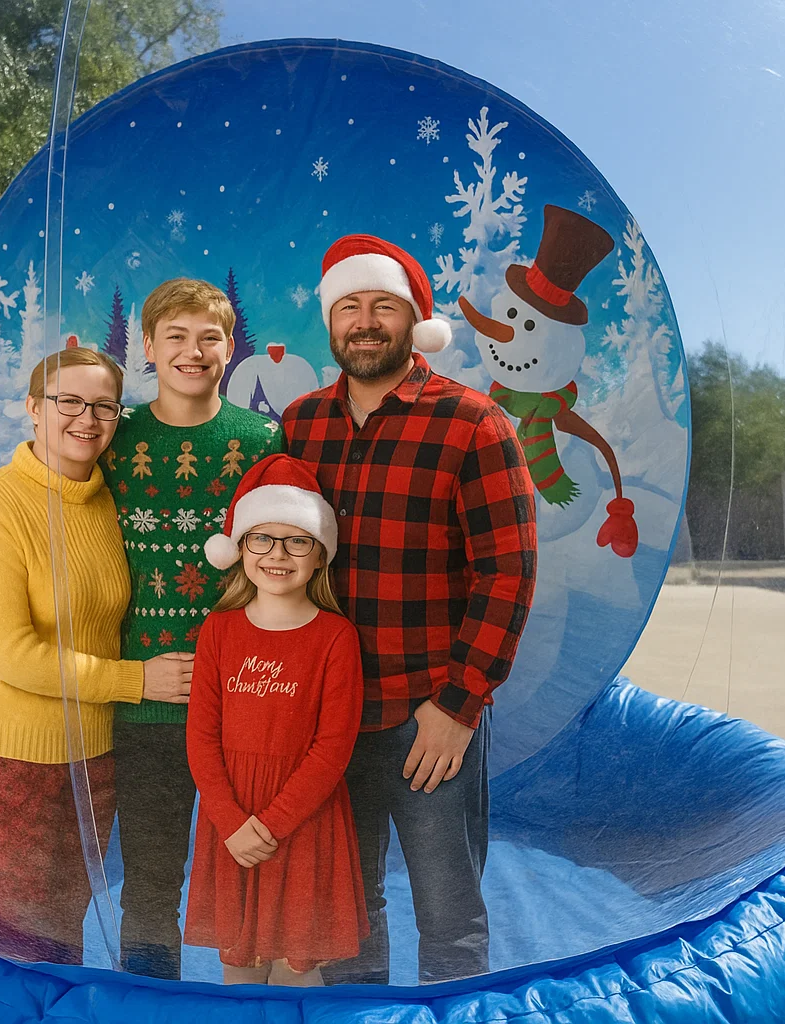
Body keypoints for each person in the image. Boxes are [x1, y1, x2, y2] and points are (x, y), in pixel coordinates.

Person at [0, 278, 284, 978]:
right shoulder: (114, 439)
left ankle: (256, 1007)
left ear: (230, 347)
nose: (193, 352)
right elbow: (32, 519)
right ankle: (147, 1005)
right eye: (176, 337)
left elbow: (294, 557)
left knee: (253, 881)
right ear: (148, 350)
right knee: (146, 890)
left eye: (209, 337)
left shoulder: (262, 442)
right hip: (136, 716)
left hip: (243, 700)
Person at [281, 234, 538, 984]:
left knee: (449, 917)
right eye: (349, 307)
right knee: (345, 916)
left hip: (428, 716)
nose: (365, 322)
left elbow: (507, 572)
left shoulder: (473, 423)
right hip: (326, 716)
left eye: (382, 306)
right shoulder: (299, 425)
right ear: (331, 321)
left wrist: (458, 705)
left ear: (413, 321)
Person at [0, 347, 147, 965]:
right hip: (9, 756)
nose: (87, 418)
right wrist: (138, 680)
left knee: (64, 931)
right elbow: (11, 654)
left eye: (104, 406)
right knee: (17, 939)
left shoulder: (111, 501)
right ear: (34, 408)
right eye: (70, 402)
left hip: (92, 753)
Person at [185, 454, 367, 986]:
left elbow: (332, 748)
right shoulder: (219, 630)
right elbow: (201, 738)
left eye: (297, 542)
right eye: (262, 539)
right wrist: (231, 822)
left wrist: (272, 825)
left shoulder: (336, 637)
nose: (278, 555)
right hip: (232, 820)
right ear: (241, 548)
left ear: (320, 555)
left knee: (295, 970)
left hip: (302, 821)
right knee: (239, 967)